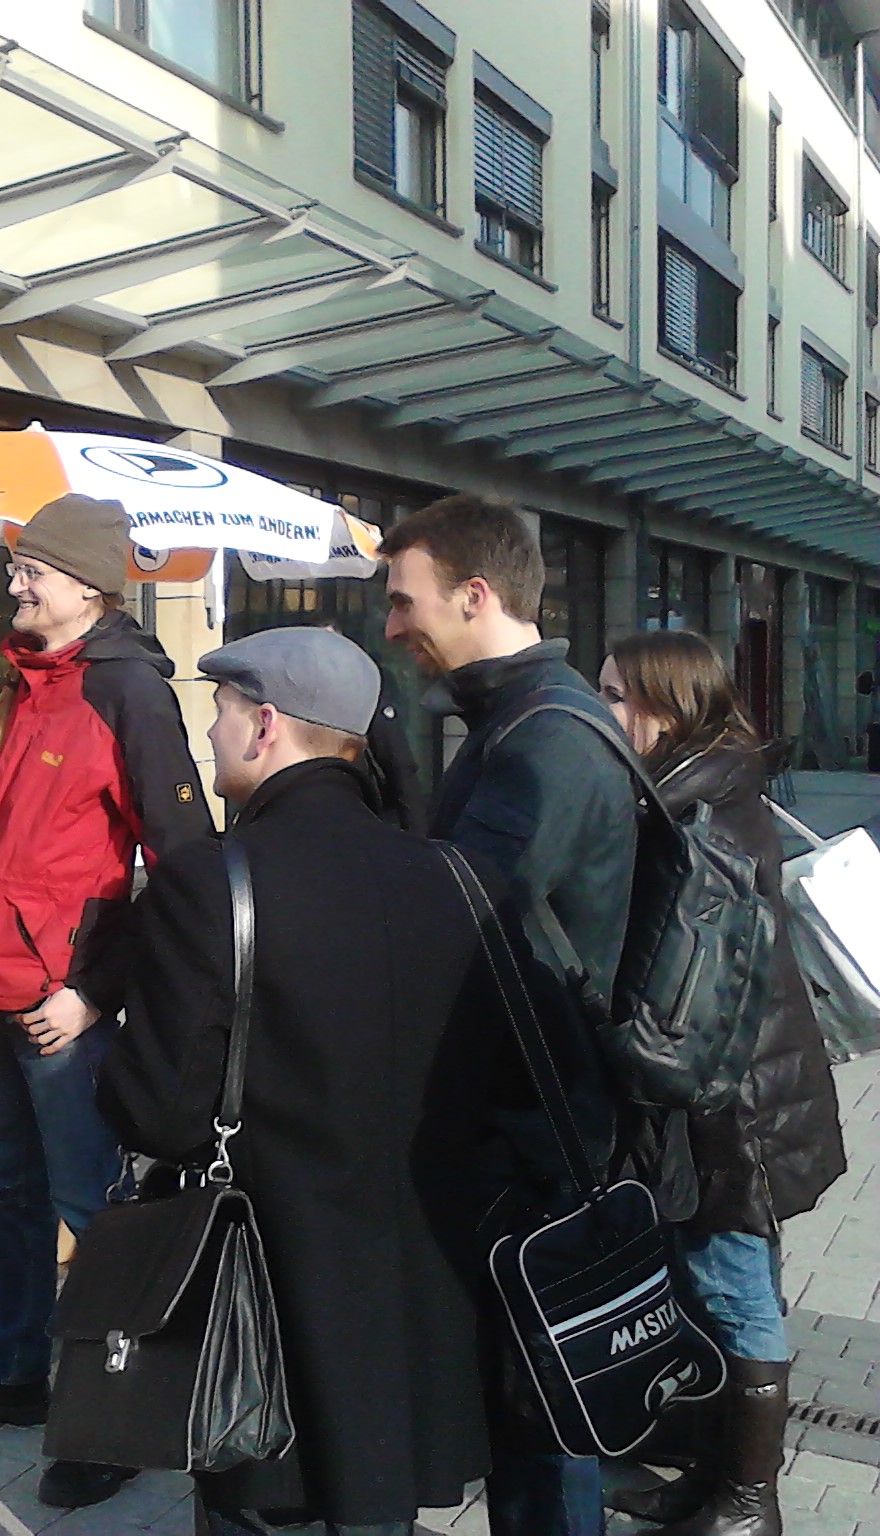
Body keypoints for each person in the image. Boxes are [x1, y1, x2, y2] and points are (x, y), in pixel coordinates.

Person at [102, 626, 500, 1536]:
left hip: (267, 1309)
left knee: (260, 1511)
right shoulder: (455, 874)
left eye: (220, 711)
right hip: (429, 1299)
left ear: (266, 726)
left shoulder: (213, 881)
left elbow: (157, 1112)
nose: (210, 733)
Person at [0, 494, 214, 1513]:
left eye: (32, 569)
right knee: (19, 1194)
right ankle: (9, 1375)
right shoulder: (31, 680)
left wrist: (94, 992)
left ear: (86, 585)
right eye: (18, 567)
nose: (16, 583)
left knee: (94, 1212)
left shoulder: (126, 692)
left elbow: (182, 865)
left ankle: (115, 1422)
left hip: (60, 1007)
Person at [381, 493, 639, 1536]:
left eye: (404, 601)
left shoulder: (542, 739)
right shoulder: (523, 717)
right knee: (530, 1409)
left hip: (540, 1134)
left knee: (543, 1416)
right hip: (535, 1119)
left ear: (474, 595)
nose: (392, 625)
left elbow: (458, 928)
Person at [598, 632, 846, 1536]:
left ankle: (747, 1502)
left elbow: (685, 989)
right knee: (724, 1286)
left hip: (732, 1112)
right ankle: (711, 1479)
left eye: (614, 694)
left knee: (736, 1290)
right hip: (742, 1093)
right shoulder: (709, 791)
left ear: (664, 709)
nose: (602, 710)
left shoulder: (695, 816)